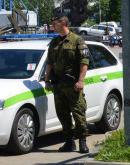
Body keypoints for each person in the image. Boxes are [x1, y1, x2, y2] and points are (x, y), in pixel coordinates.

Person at [45, 13, 90, 153]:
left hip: (73, 85)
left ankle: (82, 141)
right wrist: (47, 80)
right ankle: (69, 142)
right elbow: (49, 63)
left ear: (63, 23)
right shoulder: (54, 43)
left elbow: (84, 62)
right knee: (62, 114)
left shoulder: (77, 40)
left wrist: (81, 81)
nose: (53, 26)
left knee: (78, 113)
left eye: (55, 23)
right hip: (58, 85)